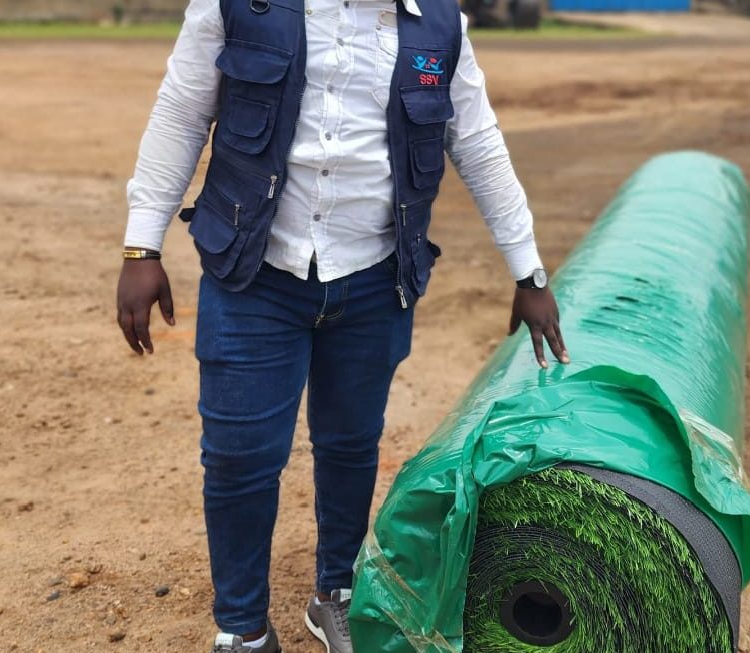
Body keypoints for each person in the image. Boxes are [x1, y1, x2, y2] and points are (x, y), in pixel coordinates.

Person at [115, 0, 569, 651]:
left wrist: (530, 273)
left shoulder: (440, 26)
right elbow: (180, 114)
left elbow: (477, 143)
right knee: (240, 459)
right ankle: (241, 627)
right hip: (254, 275)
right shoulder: (235, 6)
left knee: (351, 444)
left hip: (374, 279)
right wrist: (141, 246)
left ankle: (336, 591)